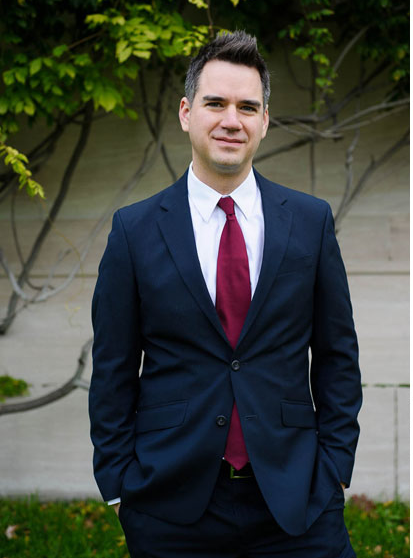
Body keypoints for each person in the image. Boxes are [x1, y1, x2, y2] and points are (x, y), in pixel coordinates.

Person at [88, 31, 362, 557]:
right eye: (216, 103)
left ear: (265, 120)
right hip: (170, 504)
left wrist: (335, 470)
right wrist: (120, 487)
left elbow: (337, 358)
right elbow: (113, 369)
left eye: (247, 106)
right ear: (187, 112)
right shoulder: (134, 230)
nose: (231, 120)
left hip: (297, 497)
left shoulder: (310, 222)